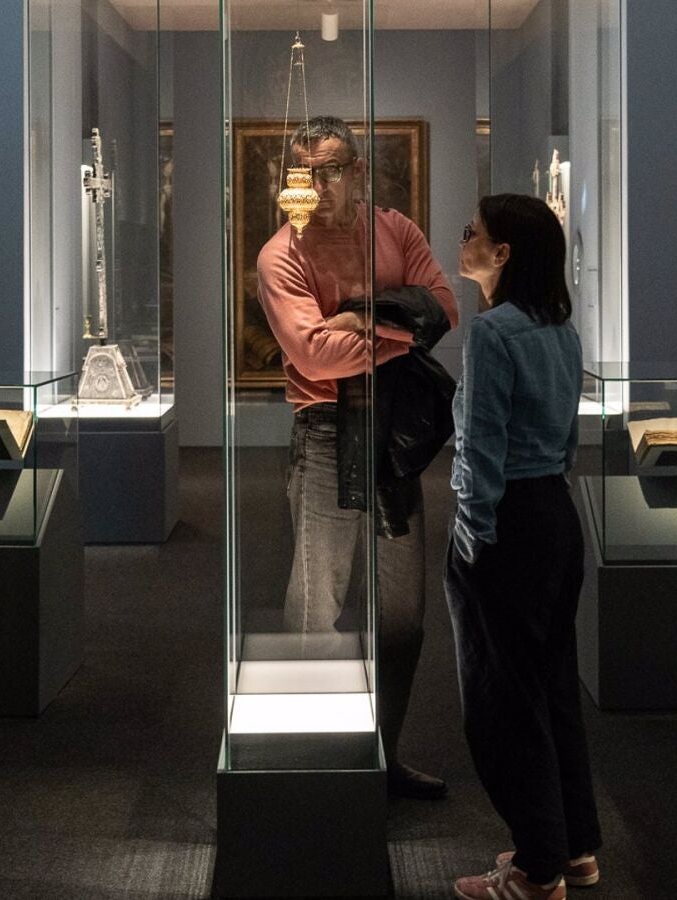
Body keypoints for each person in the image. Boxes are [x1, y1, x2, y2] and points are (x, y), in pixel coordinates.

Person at [254, 115, 457, 800]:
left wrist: (360, 316)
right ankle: (312, 758)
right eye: (305, 173)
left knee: (402, 614)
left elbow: (445, 307)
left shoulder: (395, 230)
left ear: (359, 170)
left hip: (394, 433)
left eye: (333, 170)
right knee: (318, 606)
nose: (318, 186)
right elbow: (314, 355)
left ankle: (383, 753)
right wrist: (401, 332)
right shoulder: (281, 254)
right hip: (324, 433)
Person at [445, 194, 602, 900]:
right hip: (554, 517)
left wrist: (473, 532)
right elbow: (565, 441)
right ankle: (574, 846)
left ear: (502, 254)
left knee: (504, 697)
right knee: (552, 683)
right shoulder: (560, 329)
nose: (465, 240)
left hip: (505, 523)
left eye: (473, 233)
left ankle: (538, 870)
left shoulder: (493, 332)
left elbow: (480, 443)